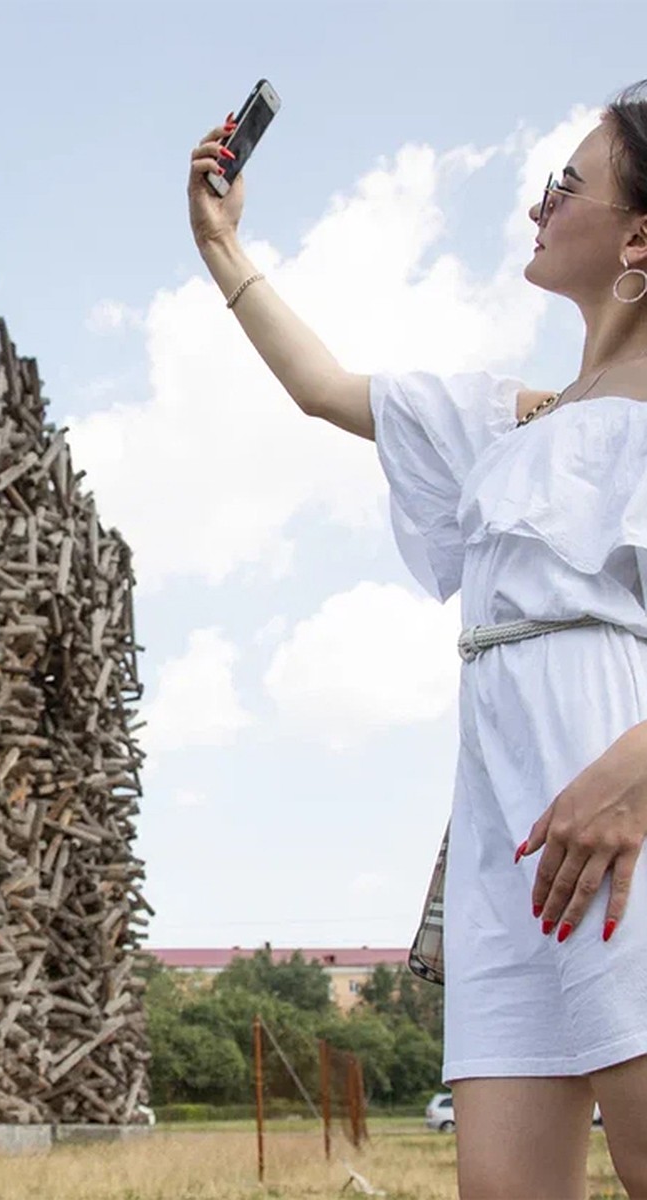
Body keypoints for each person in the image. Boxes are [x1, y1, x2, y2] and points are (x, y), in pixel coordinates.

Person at [189, 82, 647, 1200]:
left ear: (640, 236)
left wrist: (632, 779)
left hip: (628, 822)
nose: (538, 205)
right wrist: (221, 244)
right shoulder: (513, 418)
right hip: (512, 856)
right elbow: (325, 388)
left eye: (565, 184)